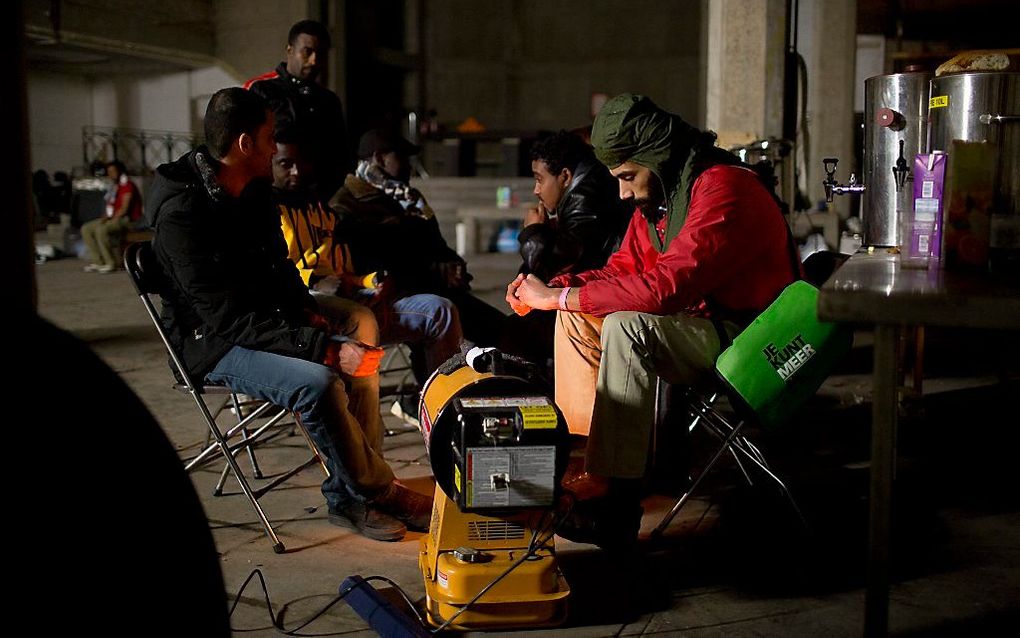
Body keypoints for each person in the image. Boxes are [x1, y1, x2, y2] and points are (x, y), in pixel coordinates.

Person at [506, 93, 801, 546]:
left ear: (656, 158)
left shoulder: (724, 188)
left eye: (627, 177)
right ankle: (587, 462)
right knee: (577, 315)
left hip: (752, 339)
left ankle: (616, 502)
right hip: (703, 326)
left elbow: (665, 289)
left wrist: (559, 295)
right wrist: (553, 287)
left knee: (626, 325)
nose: (622, 192)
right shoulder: (662, 198)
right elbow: (620, 270)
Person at [146, 87, 431, 542]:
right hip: (215, 341)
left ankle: (357, 488)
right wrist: (323, 350)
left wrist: (307, 313)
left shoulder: (253, 189)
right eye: (269, 136)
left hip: (266, 314)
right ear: (244, 145)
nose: (276, 145)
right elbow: (227, 319)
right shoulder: (182, 214)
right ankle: (373, 489)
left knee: (360, 321)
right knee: (317, 383)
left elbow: (278, 267)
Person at [273, 126, 463, 428]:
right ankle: (364, 453)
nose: (297, 171)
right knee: (362, 324)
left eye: (303, 162)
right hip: (311, 314)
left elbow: (345, 267)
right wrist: (313, 281)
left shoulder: (320, 207)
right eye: (285, 164)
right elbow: (270, 275)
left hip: (353, 300)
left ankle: (440, 416)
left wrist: (372, 280)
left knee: (441, 310)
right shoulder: (269, 212)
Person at [329, 128, 507, 353]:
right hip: (392, 296)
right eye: (402, 157)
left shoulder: (409, 199)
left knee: (500, 330)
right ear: (380, 158)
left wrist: (452, 266)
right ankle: (440, 383)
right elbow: (370, 266)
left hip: (430, 287)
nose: (409, 166)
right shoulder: (346, 205)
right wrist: (433, 270)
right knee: (447, 317)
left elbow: (436, 245)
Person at [502, 129, 630, 369]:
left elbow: (564, 260)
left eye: (539, 179)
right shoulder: (586, 192)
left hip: (600, 304)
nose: (536, 190)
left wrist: (533, 234)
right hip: (593, 296)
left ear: (565, 176)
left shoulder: (587, 200)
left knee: (518, 332)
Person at [245, 19, 350, 200]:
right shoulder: (261, 90)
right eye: (307, 52)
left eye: (321, 53)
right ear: (290, 50)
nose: (314, 60)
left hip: (318, 201)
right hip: (273, 199)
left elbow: (339, 154)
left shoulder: (329, 101)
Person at [81, 160, 142, 273]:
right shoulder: (114, 187)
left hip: (126, 219)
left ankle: (110, 262)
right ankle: (98, 261)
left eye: (113, 171)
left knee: (101, 230)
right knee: (86, 228)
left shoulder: (127, 185)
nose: (111, 174)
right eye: (109, 172)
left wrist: (111, 219)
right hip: (112, 217)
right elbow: (110, 206)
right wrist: (105, 217)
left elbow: (124, 208)